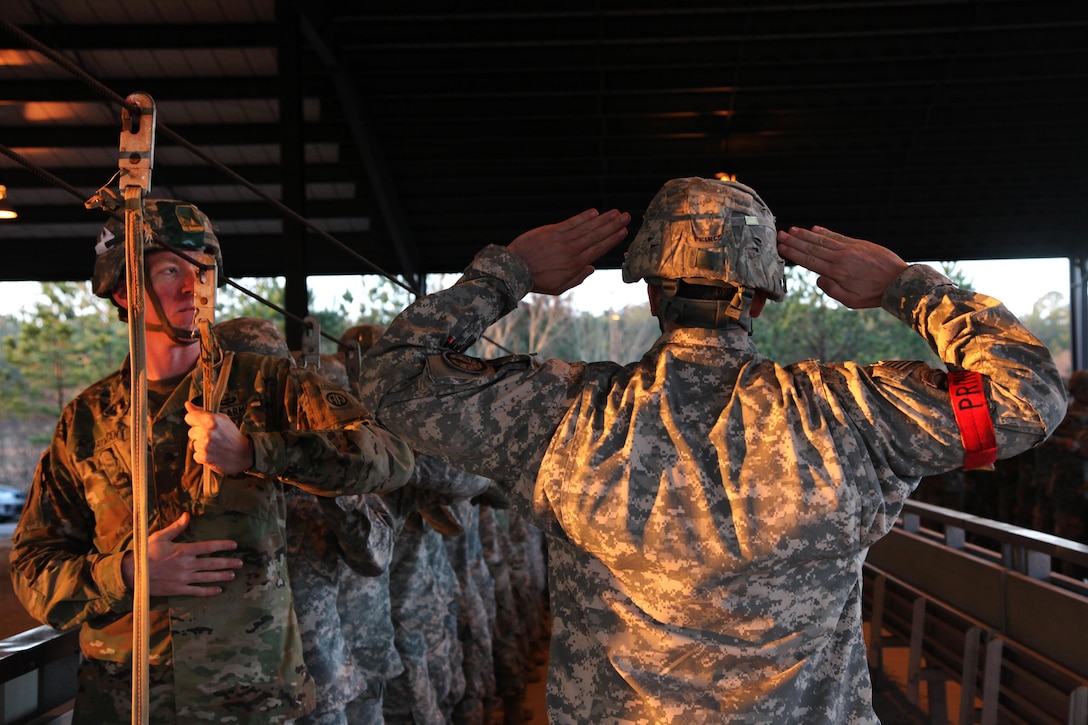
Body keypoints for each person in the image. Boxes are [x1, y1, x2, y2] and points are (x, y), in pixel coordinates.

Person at [356, 177, 1067, 723]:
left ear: (653, 291)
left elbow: (391, 380)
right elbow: (1028, 399)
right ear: (759, 298)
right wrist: (906, 286)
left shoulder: (558, 413)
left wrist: (507, 271)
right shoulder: (855, 412)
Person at [9, 199, 415, 724]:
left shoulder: (266, 387)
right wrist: (129, 573)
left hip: (250, 702)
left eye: (203, 271)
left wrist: (255, 451)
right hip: (125, 703)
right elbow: (33, 569)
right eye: (171, 269)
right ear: (125, 289)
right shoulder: (88, 420)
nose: (191, 287)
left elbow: (390, 456)